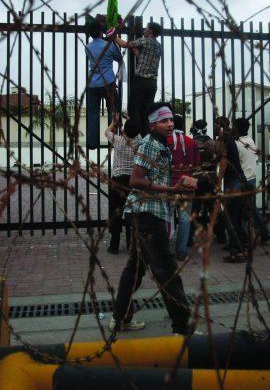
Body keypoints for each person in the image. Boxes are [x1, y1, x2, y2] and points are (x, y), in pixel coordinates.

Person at [110, 102, 198, 335]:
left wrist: (177, 187)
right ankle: (183, 326)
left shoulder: (162, 145)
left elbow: (156, 178)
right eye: (163, 120)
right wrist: (172, 190)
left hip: (148, 212)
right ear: (152, 124)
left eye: (170, 120)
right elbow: (135, 181)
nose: (169, 124)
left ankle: (120, 318)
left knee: (135, 269)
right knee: (166, 270)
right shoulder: (150, 144)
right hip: (147, 214)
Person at [114, 22, 162, 136]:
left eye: (146, 28)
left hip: (141, 80)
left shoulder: (144, 41)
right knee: (146, 110)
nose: (144, 30)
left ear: (150, 31)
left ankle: (134, 134)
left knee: (134, 108)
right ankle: (145, 134)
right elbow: (142, 58)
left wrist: (113, 36)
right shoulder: (159, 45)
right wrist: (134, 48)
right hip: (153, 83)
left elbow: (125, 44)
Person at [105, 114, 140, 254]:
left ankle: (114, 245)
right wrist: (129, 119)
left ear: (124, 131)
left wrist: (114, 122)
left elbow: (107, 132)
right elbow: (136, 131)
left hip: (118, 180)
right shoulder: (138, 141)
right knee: (131, 212)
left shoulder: (118, 141)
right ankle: (131, 243)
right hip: (132, 181)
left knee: (116, 212)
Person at [233, 117, 270, 244]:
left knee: (239, 211)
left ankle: (245, 238)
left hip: (241, 179)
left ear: (237, 128)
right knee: (249, 209)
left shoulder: (237, 144)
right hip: (252, 178)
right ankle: (262, 232)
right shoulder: (250, 141)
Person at [85, 19, 123, 149]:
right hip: (108, 82)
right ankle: (112, 141)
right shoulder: (110, 45)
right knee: (113, 112)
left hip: (92, 85)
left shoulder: (87, 47)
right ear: (101, 32)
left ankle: (92, 143)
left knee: (93, 113)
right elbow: (119, 58)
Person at [214, 116, 247, 263]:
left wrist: (218, 181)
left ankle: (237, 252)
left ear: (219, 126)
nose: (214, 128)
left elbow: (224, 162)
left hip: (234, 183)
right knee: (236, 218)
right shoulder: (229, 139)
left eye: (215, 125)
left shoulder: (225, 139)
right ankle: (240, 248)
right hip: (240, 181)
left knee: (231, 219)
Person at [168, 114, 201, 261]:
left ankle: (165, 248)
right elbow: (196, 165)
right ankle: (181, 251)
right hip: (187, 184)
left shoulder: (167, 141)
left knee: (167, 217)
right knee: (185, 218)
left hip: (170, 185)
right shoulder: (191, 143)